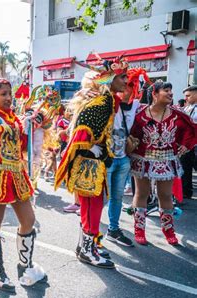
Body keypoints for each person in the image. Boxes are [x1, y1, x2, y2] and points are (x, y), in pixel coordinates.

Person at [55, 56, 129, 268]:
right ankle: (87, 250)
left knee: (92, 206)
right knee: (92, 207)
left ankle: (85, 247)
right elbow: (81, 130)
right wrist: (90, 147)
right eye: (122, 77)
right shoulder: (102, 102)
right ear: (111, 78)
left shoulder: (106, 100)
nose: (125, 81)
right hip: (89, 163)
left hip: (95, 161)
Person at [0, 78, 46, 292]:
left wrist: (34, 126)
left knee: (29, 220)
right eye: (3, 94)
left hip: (17, 176)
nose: (9, 98)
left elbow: (22, 147)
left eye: (10, 94)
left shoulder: (13, 118)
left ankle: (24, 265)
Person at [130, 81, 196, 245]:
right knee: (141, 194)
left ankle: (168, 231)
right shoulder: (140, 114)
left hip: (167, 159)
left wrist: (185, 146)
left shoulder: (178, 115)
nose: (170, 93)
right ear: (154, 94)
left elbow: (192, 129)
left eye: (171, 90)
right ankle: (139, 230)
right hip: (143, 159)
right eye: (166, 90)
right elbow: (131, 132)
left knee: (165, 195)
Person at [105, 68, 150, 247]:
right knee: (99, 199)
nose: (126, 87)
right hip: (106, 158)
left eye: (130, 85)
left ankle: (113, 230)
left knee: (116, 197)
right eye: (124, 82)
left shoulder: (137, 106)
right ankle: (88, 232)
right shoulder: (106, 103)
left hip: (123, 159)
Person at [181, 85, 197, 199]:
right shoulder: (187, 108)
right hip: (187, 145)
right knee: (185, 168)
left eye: (188, 96)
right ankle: (186, 191)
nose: (186, 98)